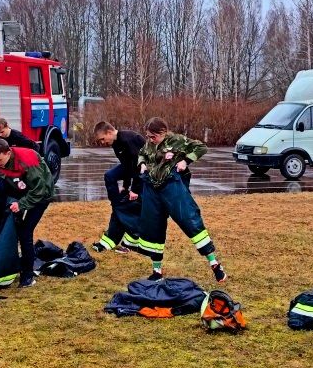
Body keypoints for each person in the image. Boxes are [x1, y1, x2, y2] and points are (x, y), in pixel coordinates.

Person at [136, 117, 227, 283]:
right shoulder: (149, 143)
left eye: (153, 136)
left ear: (163, 132)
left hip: (172, 187)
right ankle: (157, 271)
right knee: (153, 227)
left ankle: (215, 264)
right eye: (148, 136)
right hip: (151, 188)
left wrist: (185, 161)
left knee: (189, 220)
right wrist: (142, 164)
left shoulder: (177, 140)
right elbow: (142, 153)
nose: (150, 139)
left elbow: (201, 147)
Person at [0, 137, 56, 287]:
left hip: (41, 195)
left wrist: (21, 204)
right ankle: (1, 225)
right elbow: (4, 182)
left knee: (25, 232)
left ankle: (28, 276)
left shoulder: (27, 160)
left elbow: (40, 190)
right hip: (22, 190)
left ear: (8, 152)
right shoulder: (0, 161)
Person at [91, 121, 146, 253]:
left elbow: (139, 166)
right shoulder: (116, 144)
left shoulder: (128, 139)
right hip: (134, 170)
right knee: (109, 176)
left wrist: (134, 190)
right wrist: (125, 187)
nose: (103, 143)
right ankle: (117, 204)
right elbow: (127, 166)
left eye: (102, 139)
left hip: (146, 173)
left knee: (130, 207)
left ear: (109, 132)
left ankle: (130, 239)